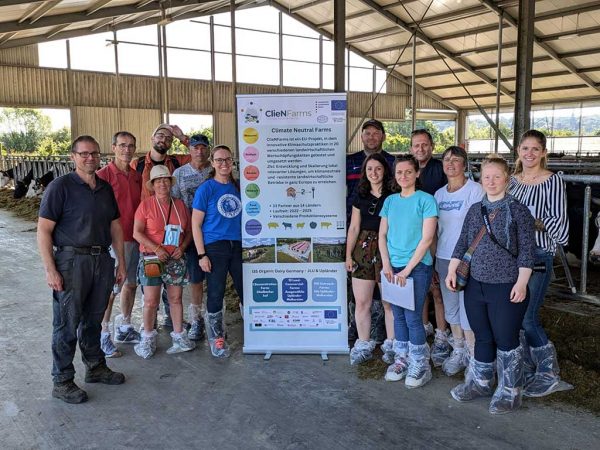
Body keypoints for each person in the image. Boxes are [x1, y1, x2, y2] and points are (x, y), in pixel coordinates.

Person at [37, 135, 126, 404]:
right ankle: (62, 380)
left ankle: (95, 366)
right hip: (71, 261)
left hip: (102, 259)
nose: (90, 158)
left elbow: (115, 226)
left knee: (93, 318)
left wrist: (120, 261)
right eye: (84, 153)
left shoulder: (104, 188)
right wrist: (50, 269)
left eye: (94, 154)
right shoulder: (60, 187)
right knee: (67, 322)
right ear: (73, 156)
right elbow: (43, 230)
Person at [446, 154, 535, 415]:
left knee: (506, 338)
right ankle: (482, 382)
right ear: (481, 179)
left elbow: (527, 251)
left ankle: (510, 391)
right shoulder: (475, 210)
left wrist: (521, 283)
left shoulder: (518, 210)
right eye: (487, 177)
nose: (492, 181)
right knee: (482, 334)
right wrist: (452, 270)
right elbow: (463, 243)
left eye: (497, 176)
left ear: (506, 179)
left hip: (506, 285)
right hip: (476, 284)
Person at [509, 129, 570, 397]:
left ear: (543, 152)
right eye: (525, 148)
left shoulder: (553, 182)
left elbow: (562, 230)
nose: (530, 154)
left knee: (527, 317)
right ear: (519, 151)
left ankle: (548, 371)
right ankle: (525, 365)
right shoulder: (511, 181)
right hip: (510, 256)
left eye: (535, 149)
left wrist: (533, 221)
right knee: (512, 314)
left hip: (537, 255)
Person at [379, 154, 438, 388]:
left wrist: (406, 270)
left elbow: (427, 238)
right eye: (399, 172)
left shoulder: (426, 200)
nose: (403, 176)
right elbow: (382, 234)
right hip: (392, 266)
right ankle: (401, 358)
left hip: (417, 266)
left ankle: (419, 363)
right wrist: (386, 265)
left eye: (408, 172)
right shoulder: (391, 201)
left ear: (417, 173)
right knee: (398, 314)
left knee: (413, 317)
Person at [131, 124, 191, 328]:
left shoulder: (176, 161)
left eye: (168, 138)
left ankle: (171, 322)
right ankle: (149, 327)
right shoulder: (137, 164)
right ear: (152, 137)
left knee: (173, 296)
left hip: (172, 235)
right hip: (147, 228)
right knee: (150, 294)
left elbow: (199, 156)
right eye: (160, 135)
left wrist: (183, 137)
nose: (163, 140)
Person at [132, 165, 195, 358]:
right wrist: (156, 248)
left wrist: (182, 248)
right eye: (158, 181)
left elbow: (190, 231)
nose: (162, 183)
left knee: (175, 299)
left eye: (165, 180)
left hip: (175, 258)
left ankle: (179, 337)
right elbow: (137, 233)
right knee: (151, 301)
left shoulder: (180, 205)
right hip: (152, 258)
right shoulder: (146, 205)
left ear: (170, 182)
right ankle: (148, 339)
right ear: (152, 184)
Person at [434, 146, 483, 375]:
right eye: (446, 160)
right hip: (444, 257)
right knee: (451, 306)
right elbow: (434, 229)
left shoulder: (475, 191)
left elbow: (481, 228)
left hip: (467, 259)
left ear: (465, 164)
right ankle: (459, 349)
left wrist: (471, 257)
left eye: (455, 160)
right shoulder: (439, 194)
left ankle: (474, 356)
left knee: (468, 307)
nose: (450, 163)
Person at [346, 119, 395, 344]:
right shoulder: (350, 163)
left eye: (377, 133)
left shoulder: (394, 190)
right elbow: (354, 226)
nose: (372, 137)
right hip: (362, 243)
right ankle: (363, 340)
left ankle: (390, 343)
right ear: (362, 136)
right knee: (361, 298)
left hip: (389, 245)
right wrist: (348, 254)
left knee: (389, 301)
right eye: (368, 133)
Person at [191, 145, 243, 358]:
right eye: (219, 160)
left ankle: (255, 332)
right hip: (215, 246)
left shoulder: (239, 187)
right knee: (215, 291)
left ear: (233, 162)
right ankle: (217, 337)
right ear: (212, 163)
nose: (224, 164)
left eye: (228, 160)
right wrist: (202, 254)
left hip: (238, 245)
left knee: (244, 289)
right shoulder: (207, 189)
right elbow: (196, 224)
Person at [97, 131, 142, 358]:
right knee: (111, 288)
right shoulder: (103, 176)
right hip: (114, 240)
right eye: (122, 145)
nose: (127, 150)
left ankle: (124, 326)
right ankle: (102, 334)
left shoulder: (137, 176)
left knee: (131, 284)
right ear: (113, 147)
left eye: (131, 146)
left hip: (135, 238)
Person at [410, 128, 450, 366]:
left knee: (436, 288)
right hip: (413, 236)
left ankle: (442, 336)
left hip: (436, 234)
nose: (421, 149)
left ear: (432, 146)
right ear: (411, 148)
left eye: (425, 145)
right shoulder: (406, 169)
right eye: (416, 145)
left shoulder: (439, 169)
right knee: (420, 286)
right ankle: (424, 330)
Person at [172, 133, 212, 341]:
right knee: (195, 278)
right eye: (195, 147)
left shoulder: (215, 171)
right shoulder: (179, 174)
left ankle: (215, 318)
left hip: (214, 232)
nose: (199, 150)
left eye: (203, 147)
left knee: (215, 277)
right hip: (191, 233)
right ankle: (197, 320)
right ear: (190, 150)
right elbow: (175, 204)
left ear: (208, 149)